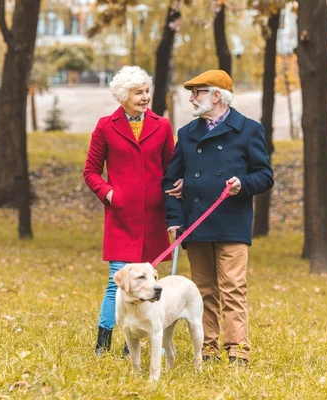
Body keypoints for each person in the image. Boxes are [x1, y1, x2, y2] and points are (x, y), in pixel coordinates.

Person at [163, 70, 274, 364]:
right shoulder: (187, 133)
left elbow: (265, 175)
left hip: (232, 224)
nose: (191, 98)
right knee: (202, 291)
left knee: (233, 289)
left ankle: (237, 350)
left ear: (216, 96)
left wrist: (242, 184)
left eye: (197, 92)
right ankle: (208, 349)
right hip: (196, 226)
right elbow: (170, 182)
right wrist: (174, 220)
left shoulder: (249, 129)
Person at [83, 66, 176, 356]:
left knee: (147, 284)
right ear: (124, 96)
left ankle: (131, 346)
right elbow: (91, 171)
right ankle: (102, 344)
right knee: (118, 284)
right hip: (121, 218)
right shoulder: (105, 126)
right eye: (138, 92)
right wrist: (109, 193)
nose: (145, 97)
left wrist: (175, 197)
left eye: (147, 91)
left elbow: (171, 169)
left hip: (153, 219)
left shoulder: (162, 126)